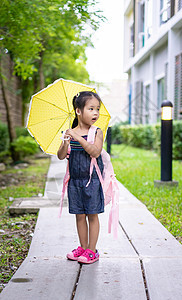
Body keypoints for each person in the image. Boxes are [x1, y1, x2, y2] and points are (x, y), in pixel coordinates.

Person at [57, 91, 104, 264]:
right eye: (91, 108)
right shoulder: (70, 132)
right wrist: (66, 142)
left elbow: (95, 151)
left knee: (92, 215)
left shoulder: (96, 132)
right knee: (79, 215)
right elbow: (61, 156)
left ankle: (92, 250)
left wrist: (78, 137)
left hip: (91, 181)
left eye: (97, 109)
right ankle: (83, 248)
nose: (95, 113)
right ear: (78, 111)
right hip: (75, 181)